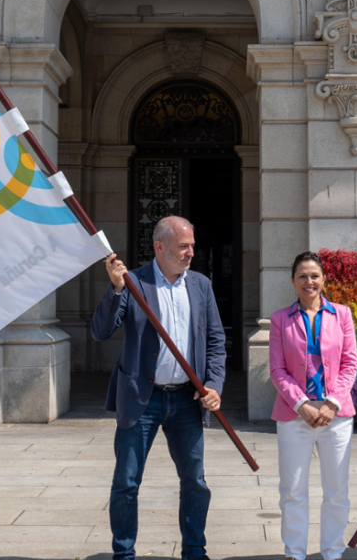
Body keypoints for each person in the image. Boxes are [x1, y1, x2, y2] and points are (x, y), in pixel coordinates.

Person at [92, 215, 226, 560]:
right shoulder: (133, 282)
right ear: (159, 247)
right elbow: (101, 331)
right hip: (141, 399)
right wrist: (116, 288)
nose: (191, 253)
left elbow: (214, 339)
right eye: (184, 246)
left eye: (192, 246)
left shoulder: (200, 285)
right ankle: (123, 554)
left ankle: (195, 551)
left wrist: (213, 384)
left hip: (186, 399)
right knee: (126, 482)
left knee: (195, 482)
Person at [268, 251, 357, 560]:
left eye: (315, 275)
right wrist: (301, 405)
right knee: (292, 491)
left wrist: (332, 404)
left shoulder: (342, 314)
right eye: (303, 276)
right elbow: (277, 370)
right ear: (293, 281)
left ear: (324, 280)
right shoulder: (281, 318)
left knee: (336, 491)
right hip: (295, 417)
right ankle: (294, 553)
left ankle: (333, 552)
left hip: (336, 416)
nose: (309, 281)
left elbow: (350, 363)